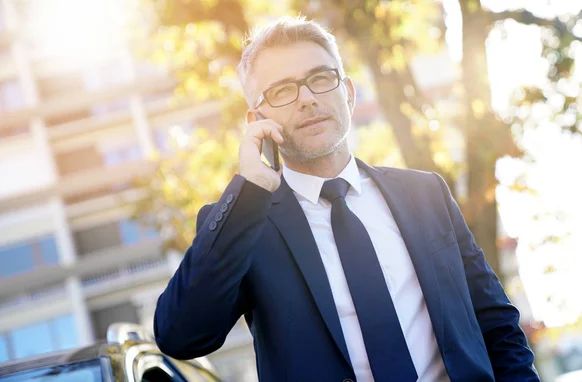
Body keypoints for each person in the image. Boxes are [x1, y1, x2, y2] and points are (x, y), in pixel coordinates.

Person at [153, 16, 540, 382]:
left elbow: (496, 324)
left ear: (348, 94)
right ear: (258, 121)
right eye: (283, 90)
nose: (306, 98)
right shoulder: (244, 222)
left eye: (320, 78)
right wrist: (250, 189)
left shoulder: (426, 194)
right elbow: (180, 336)